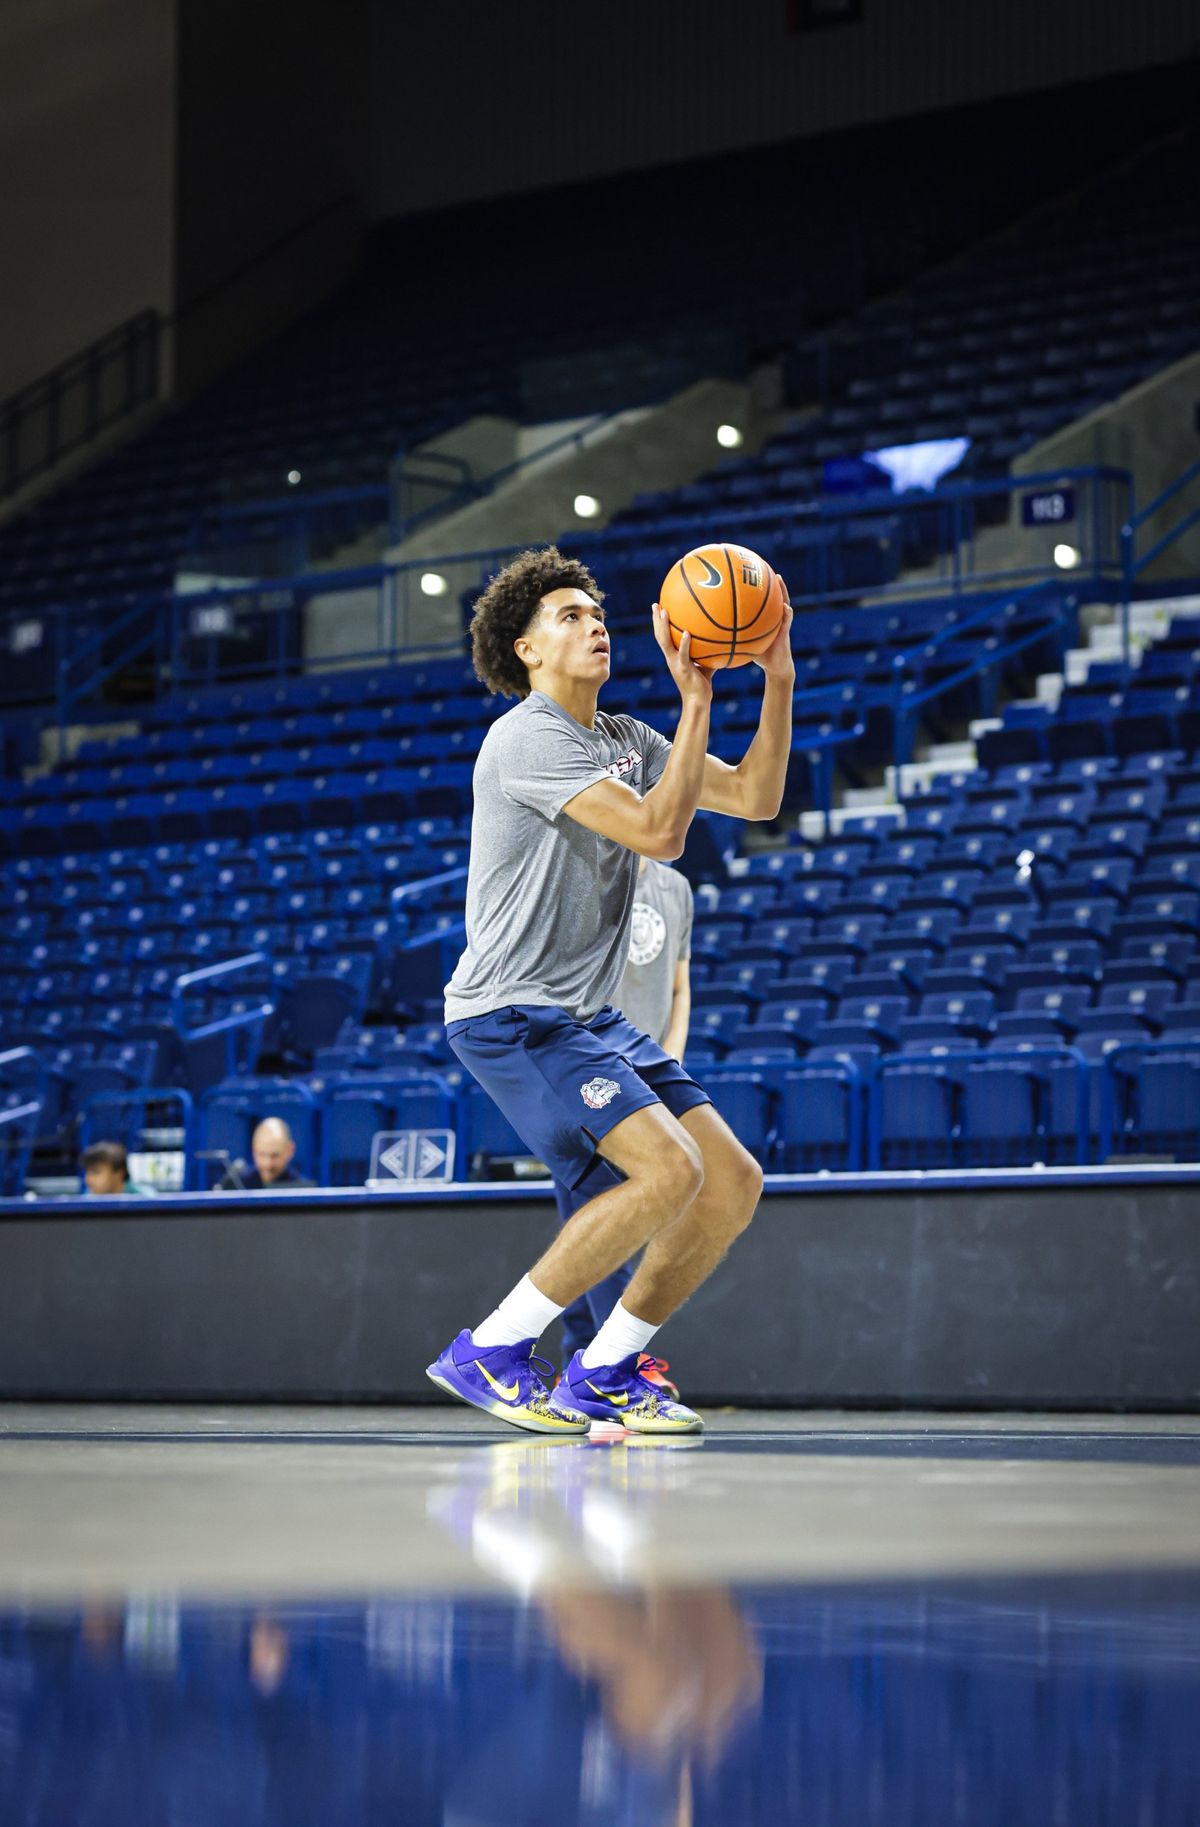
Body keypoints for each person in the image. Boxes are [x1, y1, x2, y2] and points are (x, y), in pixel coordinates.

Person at [427, 544, 793, 1436]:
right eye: (568, 616)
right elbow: (661, 834)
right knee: (669, 1170)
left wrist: (775, 676)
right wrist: (700, 695)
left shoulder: (625, 738)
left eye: (597, 613)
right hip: (511, 1011)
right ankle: (493, 1349)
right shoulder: (528, 734)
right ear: (525, 649)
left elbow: (755, 795)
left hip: (583, 1015)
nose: (594, 625)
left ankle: (602, 1370)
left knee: (730, 1181)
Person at [555, 854, 693, 1397]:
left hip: (650, 1078)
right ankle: (613, 1367)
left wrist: (668, 1066)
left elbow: (680, 990)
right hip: (590, 1074)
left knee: (603, 1222)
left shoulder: (678, 889)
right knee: (600, 1214)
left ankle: (582, 1362)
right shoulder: (586, 874)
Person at [215, 1117, 314, 1190]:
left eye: (275, 1155)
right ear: (253, 1150)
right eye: (262, 1154)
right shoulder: (237, 1187)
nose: (268, 1164)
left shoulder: (303, 1191)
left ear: (290, 1150)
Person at [81, 1140, 146, 1196]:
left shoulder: (146, 1200)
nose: (88, 1180)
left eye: (96, 1172)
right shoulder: (86, 1199)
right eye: (87, 1172)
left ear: (119, 1174)